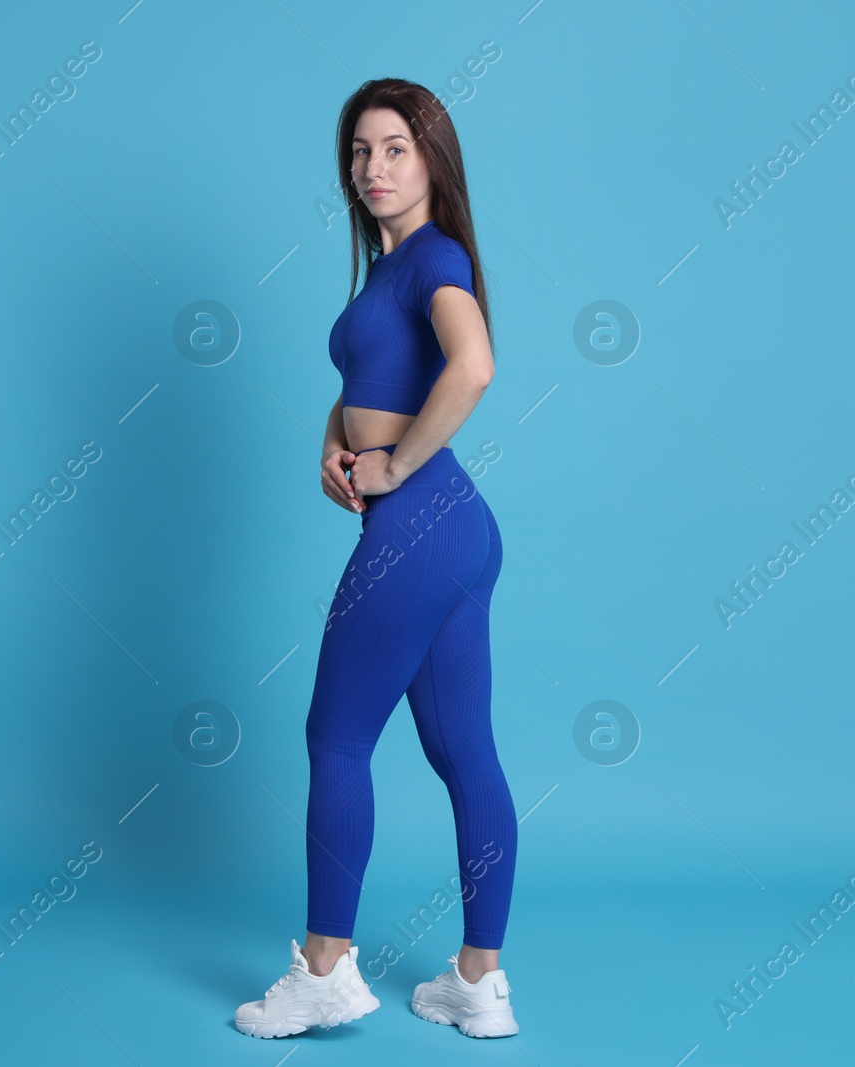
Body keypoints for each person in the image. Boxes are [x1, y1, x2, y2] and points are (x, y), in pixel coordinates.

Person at [234, 78, 519, 1041]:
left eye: (395, 148)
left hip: (419, 529)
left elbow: (472, 365)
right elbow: (377, 376)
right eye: (360, 151)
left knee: (337, 739)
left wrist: (394, 460)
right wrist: (337, 438)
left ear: (433, 157)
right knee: (464, 752)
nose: (373, 169)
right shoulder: (393, 269)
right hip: (459, 533)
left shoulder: (435, 257)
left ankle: (325, 970)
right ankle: (479, 985)